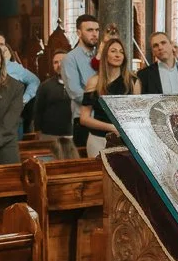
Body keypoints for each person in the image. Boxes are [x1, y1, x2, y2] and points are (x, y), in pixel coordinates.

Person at [78, 37, 132, 156]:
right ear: (105, 55)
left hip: (125, 141)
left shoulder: (132, 81)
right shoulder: (94, 81)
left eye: (121, 52)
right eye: (113, 51)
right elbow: (84, 118)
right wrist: (112, 127)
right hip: (98, 139)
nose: (118, 55)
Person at [59, 14, 102, 148]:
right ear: (79, 32)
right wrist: (102, 103)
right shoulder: (70, 59)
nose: (94, 34)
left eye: (96, 30)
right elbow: (75, 93)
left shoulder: (103, 55)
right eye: (89, 30)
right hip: (84, 120)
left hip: (105, 119)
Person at [34, 49, 78, 160]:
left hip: (72, 135)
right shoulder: (45, 86)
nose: (59, 65)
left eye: (62, 61)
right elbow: (38, 111)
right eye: (55, 62)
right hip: (49, 136)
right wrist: (38, 132)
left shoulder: (79, 83)